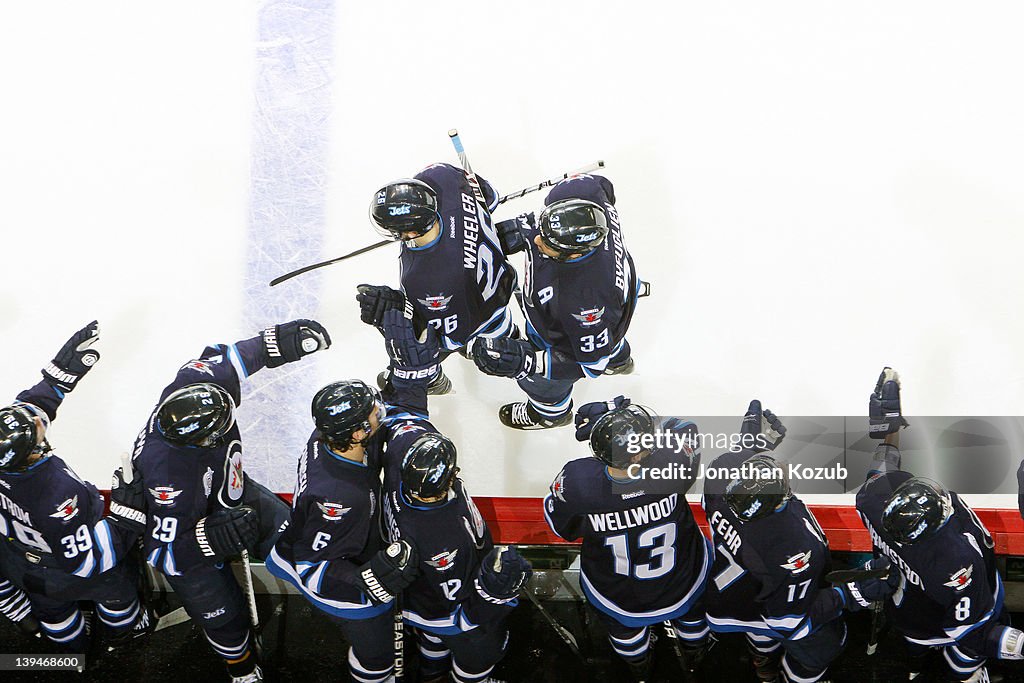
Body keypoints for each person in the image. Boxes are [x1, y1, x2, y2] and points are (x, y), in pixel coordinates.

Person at [118, 318, 330, 682]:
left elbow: (231, 357)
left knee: (300, 544)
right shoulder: (167, 476)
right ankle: (242, 669)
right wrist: (208, 539)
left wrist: (279, 342)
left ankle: (338, 594)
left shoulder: (196, 383)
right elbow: (165, 553)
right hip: (190, 532)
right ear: (199, 441)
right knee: (222, 616)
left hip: (232, 491)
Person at [266, 309, 440, 683]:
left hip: (351, 546)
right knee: (377, 660)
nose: (381, 409)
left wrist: (408, 374)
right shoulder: (340, 500)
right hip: (347, 594)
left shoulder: (328, 438)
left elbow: (395, 416)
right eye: (373, 411)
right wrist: (369, 581)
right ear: (358, 433)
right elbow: (312, 569)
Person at [857, 368, 1024, 682]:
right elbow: (967, 626)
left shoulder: (872, 502)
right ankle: (966, 675)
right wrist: (1002, 640)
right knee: (967, 657)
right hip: (947, 620)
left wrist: (887, 427)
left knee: (914, 647)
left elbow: (883, 464)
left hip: (908, 616)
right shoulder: (956, 562)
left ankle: (914, 667)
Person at [702, 400, 881, 683]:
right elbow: (789, 620)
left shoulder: (720, 474)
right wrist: (851, 594)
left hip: (733, 597)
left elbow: (733, 471)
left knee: (760, 637)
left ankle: (765, 667)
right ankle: (787, 677)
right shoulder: (793, 547)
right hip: (776, 604)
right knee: (819, 651)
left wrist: (751, 446)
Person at [0, 322, 151, 652]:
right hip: (70, 568)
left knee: (55, 618)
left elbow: (28, 417)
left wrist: (57, 378)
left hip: (25, 565)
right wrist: (126, 517)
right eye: (38, 436)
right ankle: (120, 643)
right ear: (31, 455)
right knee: (117, 599)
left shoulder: (11, 460)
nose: (42, 424)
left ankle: (70, 655)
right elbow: (85, 561)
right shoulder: (55, 494)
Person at [543, 397, 710, 681]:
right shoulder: (672, 463)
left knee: (624, 631)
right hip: (683, 579)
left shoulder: (578, 479)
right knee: (692, 617)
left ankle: (639, 665)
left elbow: (563, 528)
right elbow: (684, 428)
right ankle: (696, 651)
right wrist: (627, 424)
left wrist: (607, 432)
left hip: (618, 594)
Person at [469, 174, 641, 429]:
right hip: (613, 312)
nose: (537, 239)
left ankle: (550, 414)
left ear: (574, 253)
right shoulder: (584, 191)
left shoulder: (584, 305)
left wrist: (529, 361)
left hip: (581, 327)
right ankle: (620, 359)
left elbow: (593, 363)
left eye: (548, 242)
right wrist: (522, 228)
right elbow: (602, 183)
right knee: (611, 339)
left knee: (540, 381)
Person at [356, 161, 519, 396]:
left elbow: (449, 337)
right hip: (500, 281)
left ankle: (433, 377)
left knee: (423, 349)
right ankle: (510, 336)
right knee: (500, 328)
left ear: (411, 233)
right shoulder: (441, 176)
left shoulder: (424, 279)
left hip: (477, 312)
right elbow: (490, 197)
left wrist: (402, 313)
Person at [382, 430, 532, 683]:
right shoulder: (443, 539)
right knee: (478, 657)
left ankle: (431, 674)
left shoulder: (399, 481)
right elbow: (461, 610)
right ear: (448, 478)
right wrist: (497, 591)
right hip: (448, 614)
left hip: (419, 601)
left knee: (432, 642)